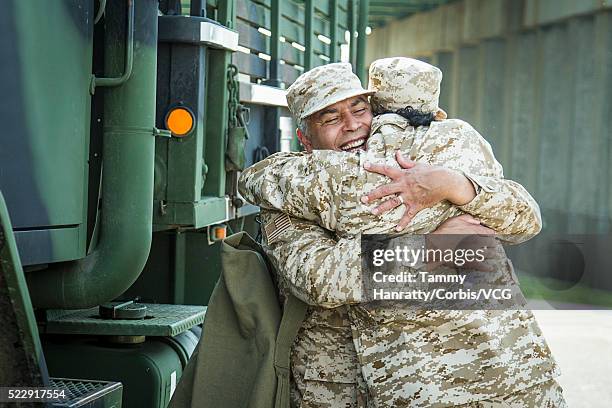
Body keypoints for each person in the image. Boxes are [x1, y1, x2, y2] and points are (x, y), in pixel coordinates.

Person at [240, 57, 566, 407]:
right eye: (331, 118)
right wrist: (431, 246)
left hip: (478, 371)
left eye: (359, 109)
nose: (352, 126)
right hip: (351, 384)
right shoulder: (292, 190)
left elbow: (525, 218)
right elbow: (320, 277)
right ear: (304, 138)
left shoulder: (425, 161)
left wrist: (453, 184)